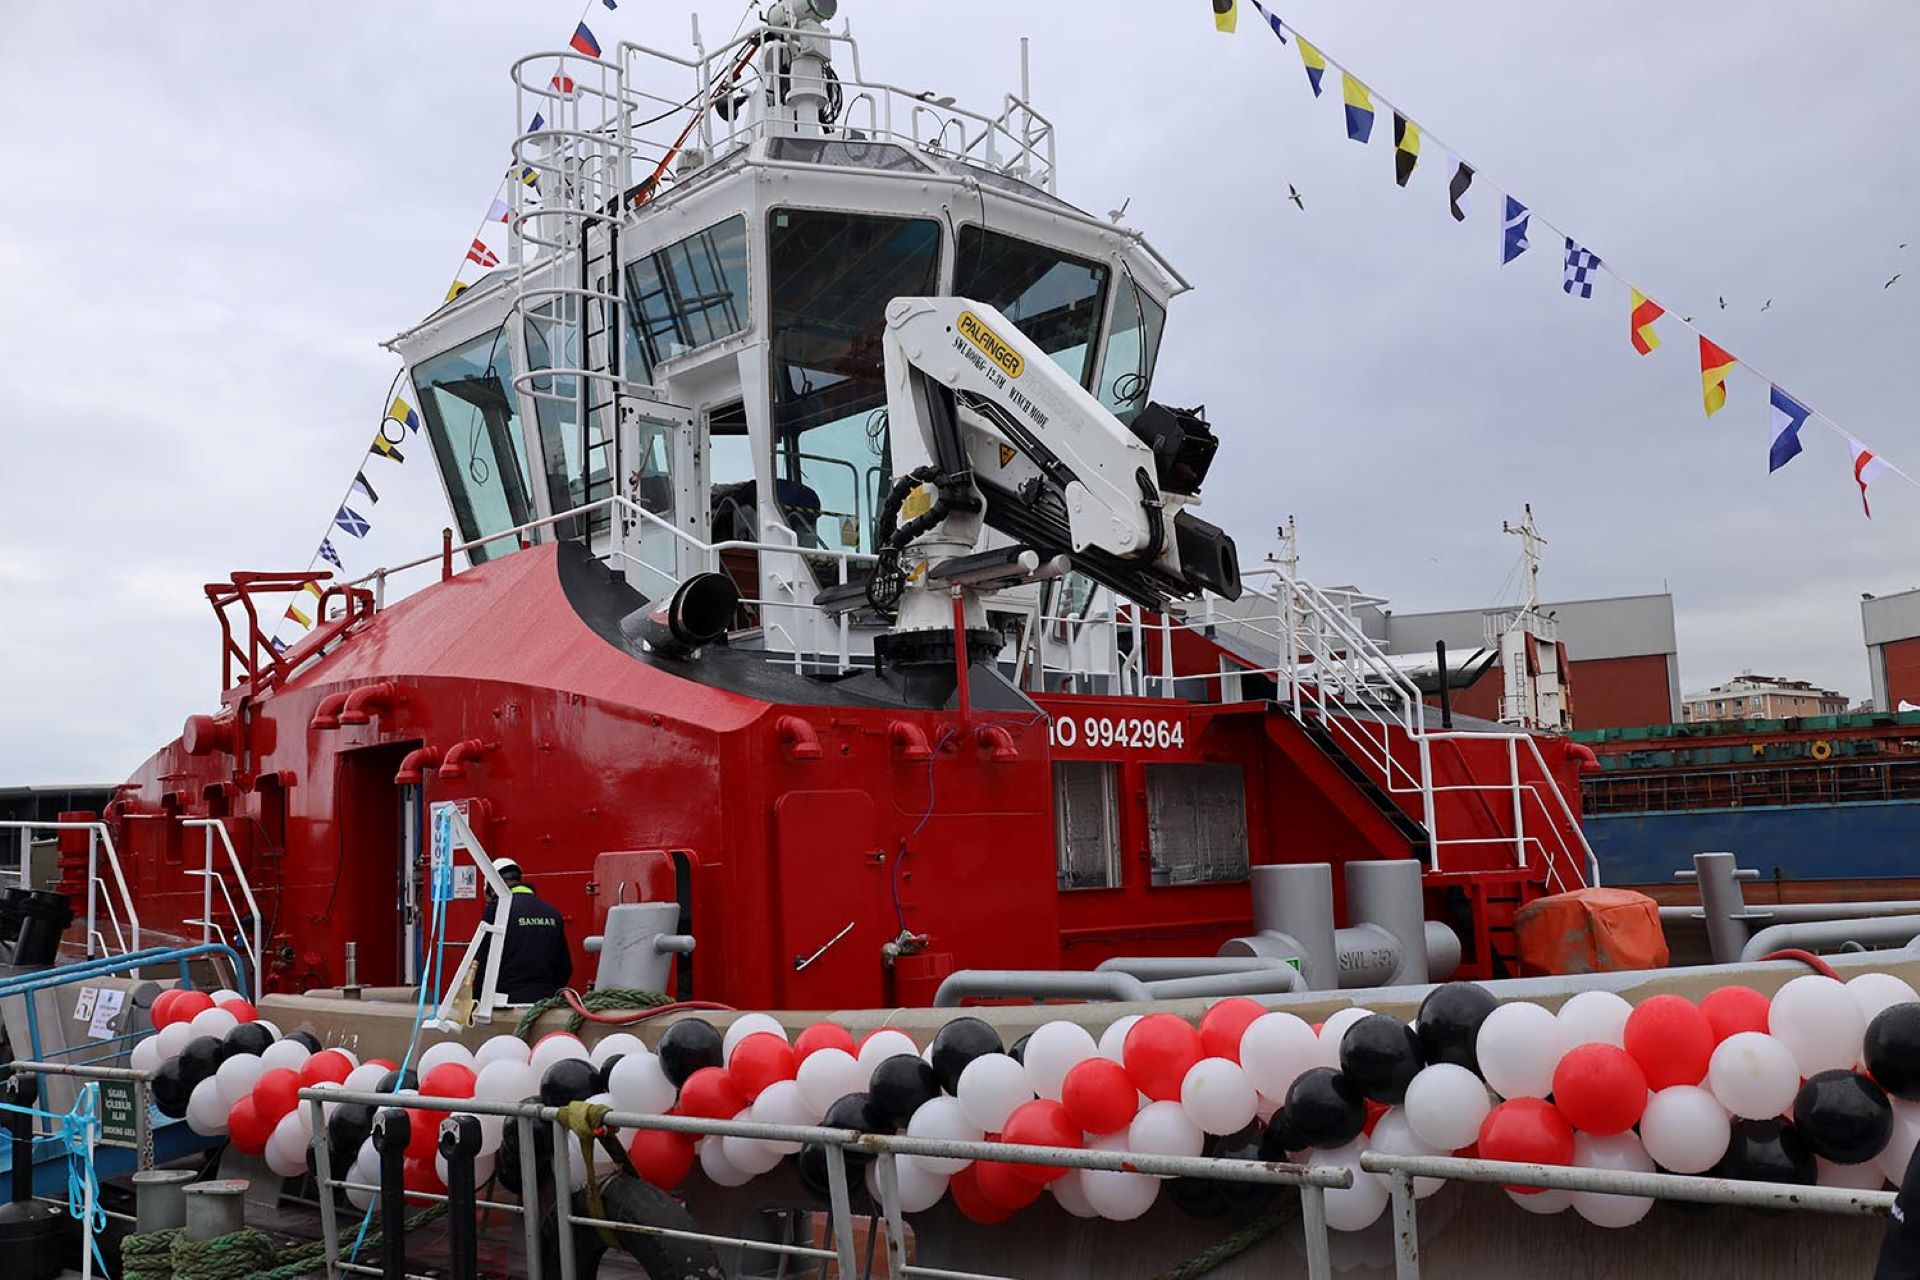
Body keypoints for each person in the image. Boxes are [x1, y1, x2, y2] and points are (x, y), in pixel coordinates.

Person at [470, 857, 573, 1004]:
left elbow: (482, 961)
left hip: (505, 1004)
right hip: (546, 1002)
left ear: (492, 888)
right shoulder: (552, 912)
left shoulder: (497, 910)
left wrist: (477, 1001)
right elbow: (565, 966)